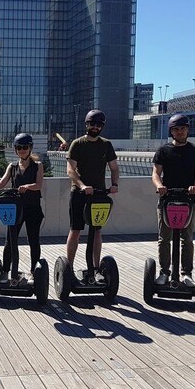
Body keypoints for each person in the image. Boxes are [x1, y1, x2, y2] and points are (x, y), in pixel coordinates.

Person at [151, 113, 195, 287]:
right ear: (171, 131)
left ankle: (186, 273)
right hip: (167, 199)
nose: (180, 132)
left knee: (187, 238)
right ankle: (164, 271)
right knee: (164, 238)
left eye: (183, 128)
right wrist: (159, 186)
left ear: (188, 130)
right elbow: (155, 173)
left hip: (187, 200)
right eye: (176, 129)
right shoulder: (164, 150)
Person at [65, 109, 120, 276]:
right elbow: (70, 170)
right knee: (76, 230)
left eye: (98, 125)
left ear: (102, 127)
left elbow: (114, 168)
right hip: (79, 194)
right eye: (92, 124)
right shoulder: (78, 144)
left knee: (96, 230)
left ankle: (96, 269)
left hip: (99, 194)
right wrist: (81, 185)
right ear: (86, 124)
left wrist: (114, 184)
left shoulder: (106, 145)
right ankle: (69, 269)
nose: (95, 127)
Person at [0, 133, 45, 283]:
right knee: (10, 240)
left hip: (33, 208)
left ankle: (33, 271)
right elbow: (3, 182)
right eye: (19, 148)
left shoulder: (37, 166)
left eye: (25, 147)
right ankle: (6, 270)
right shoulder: (12, 167)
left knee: (33, 240)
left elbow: (39, 184)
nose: (22, 150)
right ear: (15, 150)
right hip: (15, 209)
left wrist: (27, 186)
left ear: (30, 148)